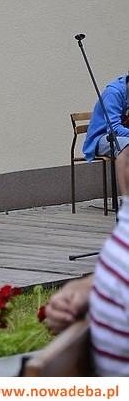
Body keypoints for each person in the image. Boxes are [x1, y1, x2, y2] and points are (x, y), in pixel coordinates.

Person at [45, 76, 129, 374]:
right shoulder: (115, 92)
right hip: (105, 137)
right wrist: (88, 287)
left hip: (111, 388)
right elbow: (113, 127)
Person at [83, 74, 129, 192]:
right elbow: (114, 128)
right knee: (127, 146)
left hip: (123, 135)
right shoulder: (113, 93)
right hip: (102, 137)